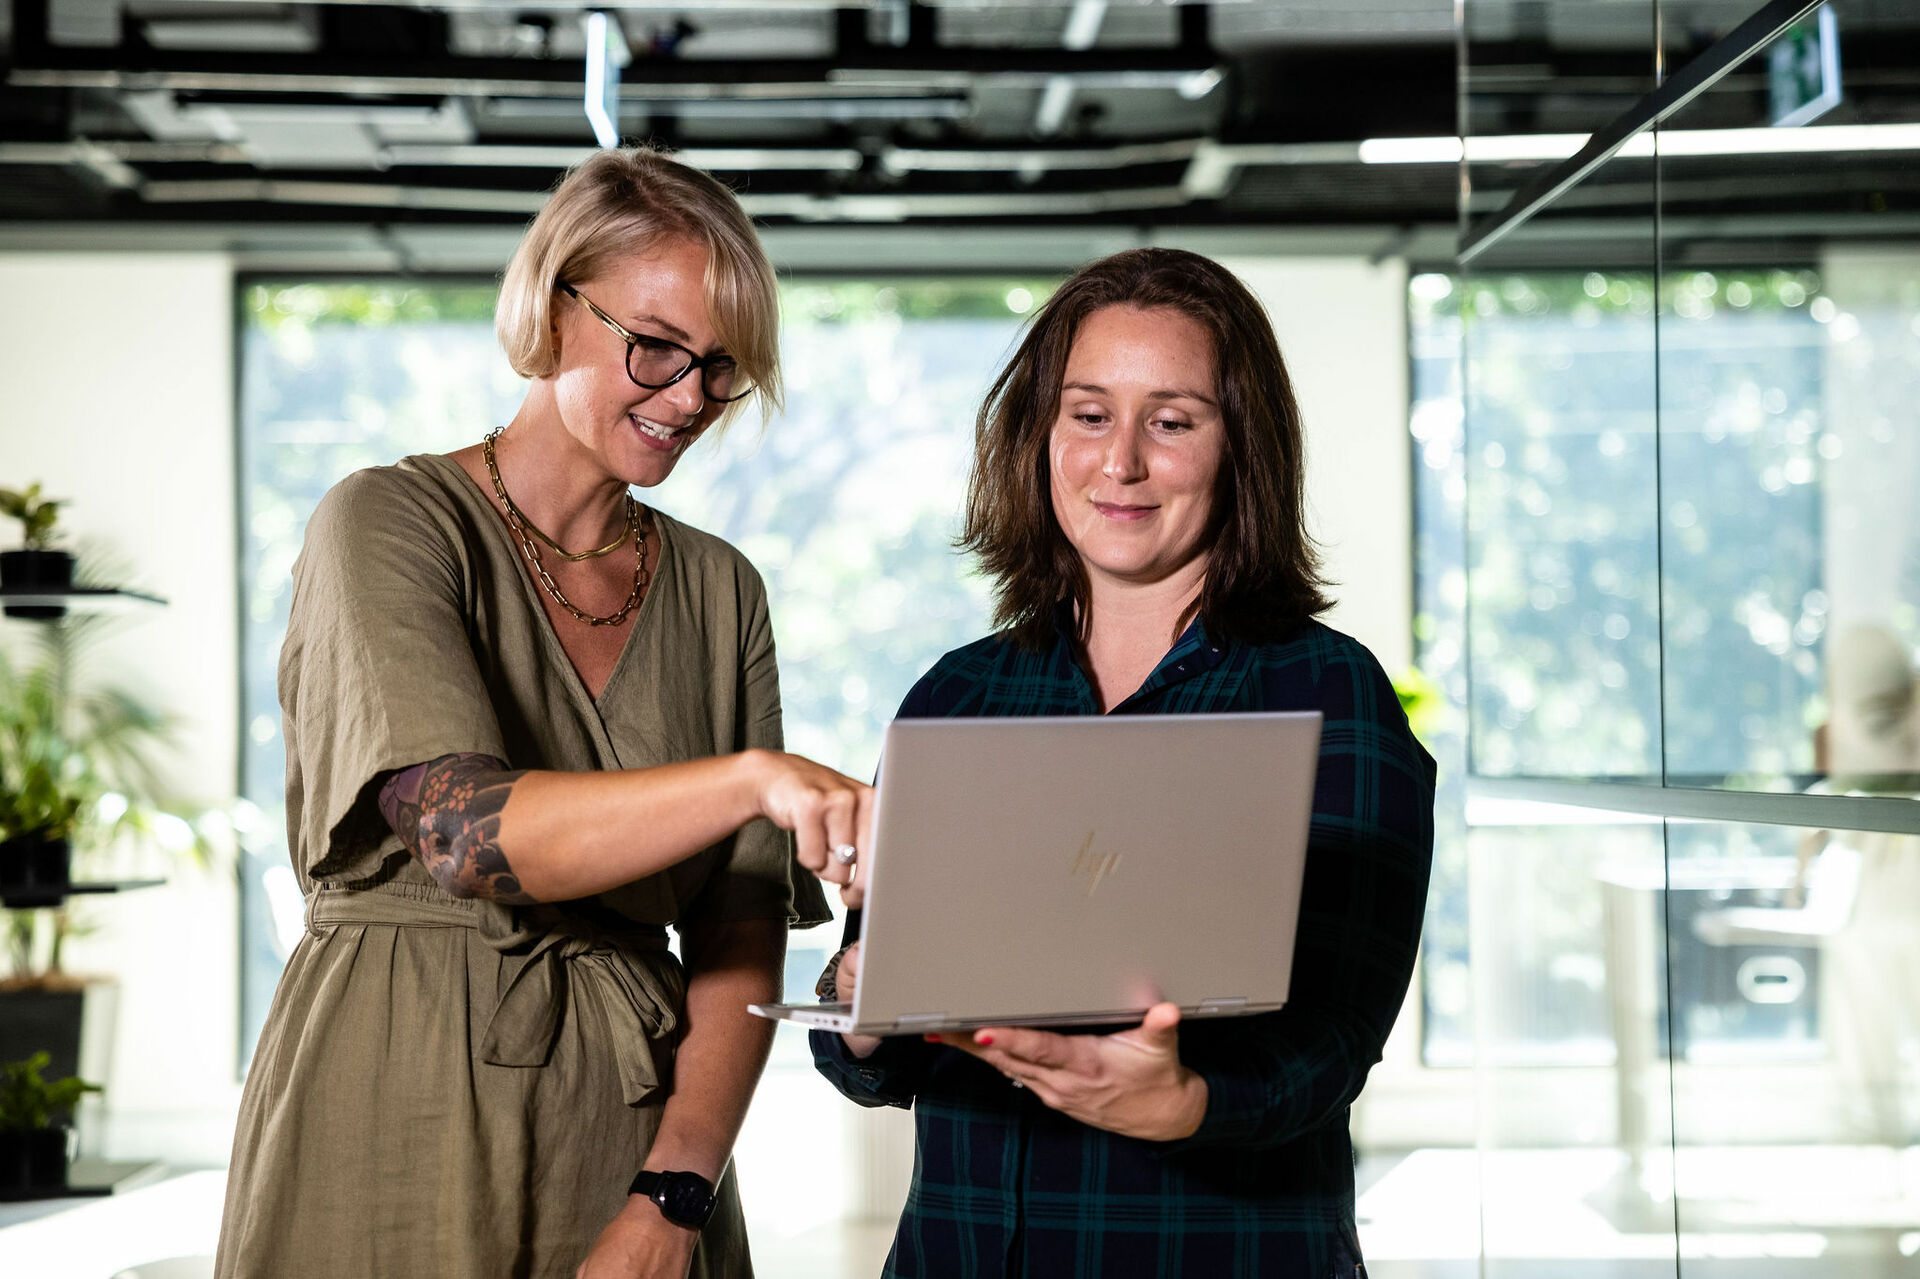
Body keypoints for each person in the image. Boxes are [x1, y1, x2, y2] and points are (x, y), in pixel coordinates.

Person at [217, 148, 870, 1279]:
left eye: (719, 371)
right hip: (393, 1092)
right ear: (555, 302)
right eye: (655, 347)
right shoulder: (386, 521)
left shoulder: (723, 590)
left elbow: (737, 932)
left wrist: (673, 1192)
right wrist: (755, 777)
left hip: (631, 1125)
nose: (686, 400)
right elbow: (469, 834)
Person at [810, 248, 1436, 1278]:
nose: (1121, 462)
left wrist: (1182, 1100)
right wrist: (859, 990)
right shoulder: (958, 697)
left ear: (1242, 447)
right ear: (1042, 434)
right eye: (1090, 413)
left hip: (1218, 1252)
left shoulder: (1327, 693)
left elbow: (1334, 1042)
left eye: (1173, 419)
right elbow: (865, 1052)